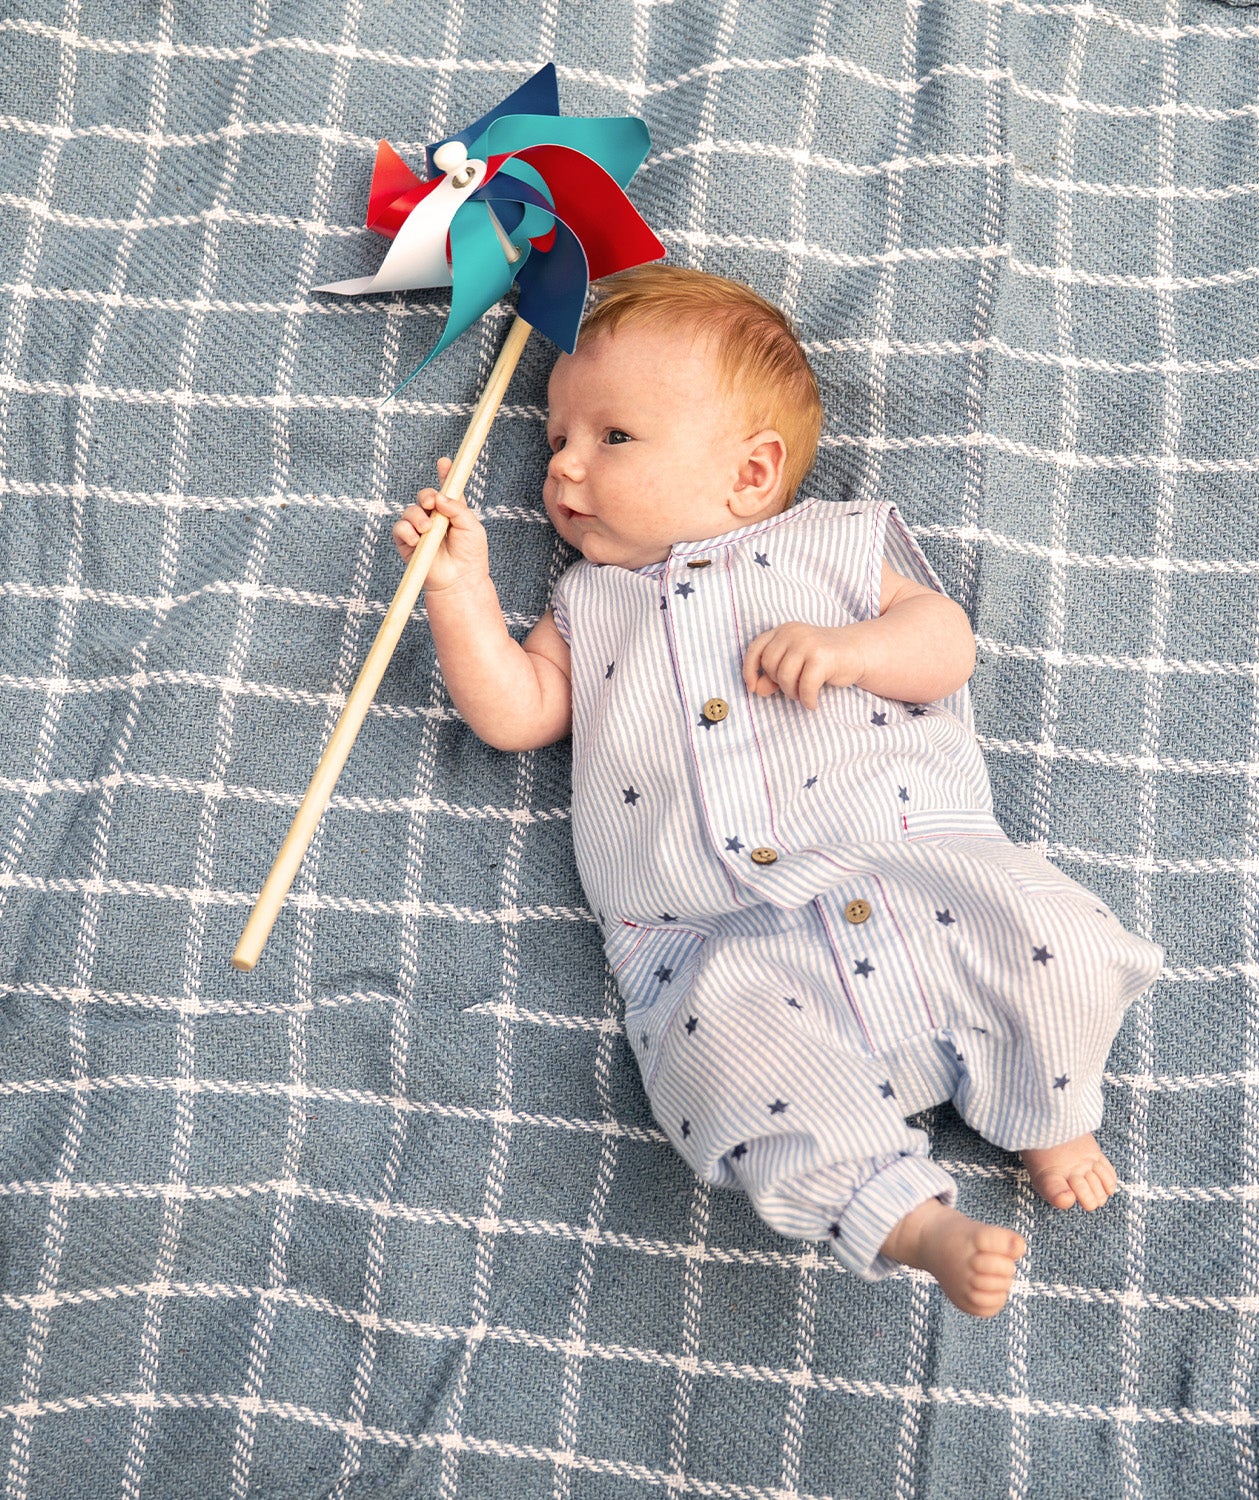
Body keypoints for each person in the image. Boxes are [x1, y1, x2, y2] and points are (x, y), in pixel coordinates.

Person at [393, 265, 1164, 1317]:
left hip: (913, 868)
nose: (564, 467)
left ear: (752, 473)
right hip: (715, 935)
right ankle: (905, 1217)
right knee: (723, 1069)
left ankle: (1051, 1105)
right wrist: (460, 594)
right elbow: (516, 712)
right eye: (554, 441)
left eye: (610, 438)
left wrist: (853, 650)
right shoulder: (587, 604)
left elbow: (945, 647)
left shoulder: (832, 545)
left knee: (1053, 936)